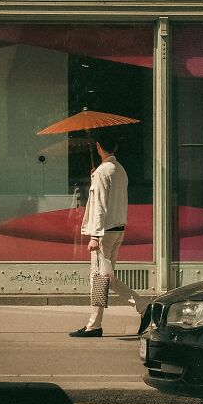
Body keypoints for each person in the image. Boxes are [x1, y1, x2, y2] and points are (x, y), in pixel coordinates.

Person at [69, 129, 147, 337]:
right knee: (107, 278)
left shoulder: (104, 172)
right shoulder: (119, 169)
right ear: (116, 147)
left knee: (98, 278)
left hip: (104, 233)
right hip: (117, 229)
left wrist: (95, 236)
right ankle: (143, 308)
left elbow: (101, 206)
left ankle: (94, 326)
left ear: (98, 147)